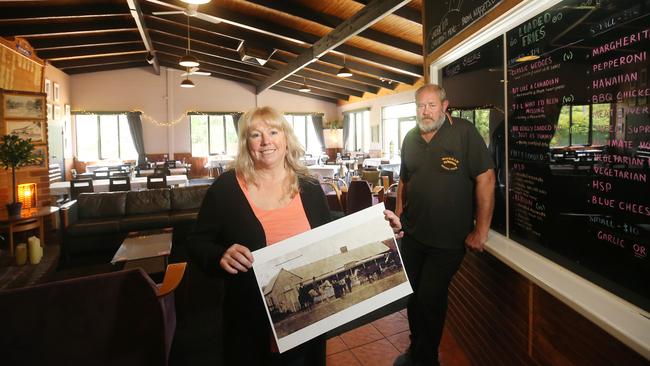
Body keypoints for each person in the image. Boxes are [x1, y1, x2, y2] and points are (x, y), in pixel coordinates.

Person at [187, 106, 330, 366]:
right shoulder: (225, 189)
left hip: (308, 319)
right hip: (249, 318)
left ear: (286, 138)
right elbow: (197, 243)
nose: (266, 141)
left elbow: (328, 230)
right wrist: (220, 255)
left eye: (273, 132)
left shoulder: (309, 186)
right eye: (256, 135)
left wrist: (379, 223)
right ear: (245, 143)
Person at [384, 84, 495, 366]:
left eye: (432, 105)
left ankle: (427, 358)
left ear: (445, 106)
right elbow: (404, 181)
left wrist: (481, 231)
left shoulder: (464, 133)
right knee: (411, 296)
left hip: (448, 241)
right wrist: (399, 216)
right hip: (413, 236)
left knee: (430, 297)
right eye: (421, 106)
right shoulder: (410, 138)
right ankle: (416, 348)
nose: (426, 111)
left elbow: (486, 179)